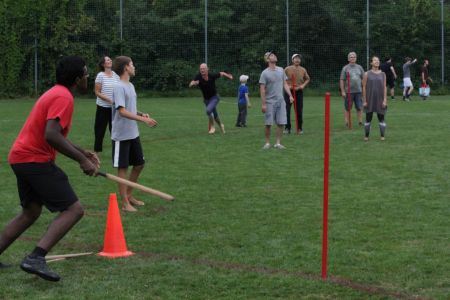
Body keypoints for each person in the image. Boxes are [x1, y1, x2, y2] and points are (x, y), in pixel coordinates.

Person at [0, 56, 98, 282]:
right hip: (34, 160)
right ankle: (36, 257)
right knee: (74, 210)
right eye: (86, 74)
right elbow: (51, 134)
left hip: (21, 157)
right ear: (77, 79)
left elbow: (56, 133)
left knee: (31, 211)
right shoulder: (64, 97)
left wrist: (81, 152)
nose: (87, 78)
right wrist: (81, 161)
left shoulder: (55, 92)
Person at [111, 56, 157, 212]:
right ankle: (125, 203)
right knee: (123, 168)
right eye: (132, 65)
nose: (134, 67)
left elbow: (128, 108)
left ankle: (129, 195)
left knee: (139, 164)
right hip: (121, 135)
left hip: (133, 133)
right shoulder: (118, 86)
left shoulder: (130, 85)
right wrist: (143, 120)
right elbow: (122, 111)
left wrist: (140, 114)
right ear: (125, 68)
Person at [259, 51, 294, 149]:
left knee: (281, 122)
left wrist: (290, 95)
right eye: (271, 55)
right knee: (268, 123)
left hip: (281, 101)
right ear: (267, 59)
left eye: (274, 55)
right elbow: (262, 89)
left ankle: (278, 143)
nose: (274, 56)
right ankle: (267, 143)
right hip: (269, 102)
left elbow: (285, 84)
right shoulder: (264, 73)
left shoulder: (281, 70)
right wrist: (263, 104)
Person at [189, 63, 233, 134]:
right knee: (215, 115)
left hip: (215, 97)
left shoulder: (211, 75)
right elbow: (191, 82)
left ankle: (213, 126)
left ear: (207, 69)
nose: (202, 70)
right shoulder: (198, 77)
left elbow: (221, 73)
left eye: (203, 68)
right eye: (201, 69)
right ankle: (221, 125)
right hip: (206, 100)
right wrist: (193, 83)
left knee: (208, 110)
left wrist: (229, 76)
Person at [93, 56, 120, 153]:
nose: (110, 60)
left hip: (113, 108)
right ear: (103, 64)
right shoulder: (100, 75)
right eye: (108, 60)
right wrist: (108, 99)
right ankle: (96, 153)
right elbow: (97, 92)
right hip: (102, 108)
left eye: (110, 59)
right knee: (99, 131)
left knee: (114, 130)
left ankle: (116, 152)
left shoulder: (116, 75)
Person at [362, 56, 387, 141]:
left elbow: (384, 87)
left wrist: (385, 100)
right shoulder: (367, 74)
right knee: (368, 118)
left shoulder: (383, 74)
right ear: (371, 63)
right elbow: (364, 87)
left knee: (381, 118)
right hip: (370, 99)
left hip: (380, 100)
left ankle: (382, 136)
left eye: (378, 60)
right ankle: (366, 136)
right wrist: (364, 100)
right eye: (375, 60)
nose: (377, 61)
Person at [284, 53, 310, 134]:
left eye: (298, 58)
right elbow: (283, 79)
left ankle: (299, 128)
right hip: (288, 92)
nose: (297, 59)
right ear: (292, 60)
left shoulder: (303, 69)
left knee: (299, 110)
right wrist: (288, 86)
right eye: (295, 58)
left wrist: (302, 86)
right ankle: (287, 128)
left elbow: (308, 79)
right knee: (287, 110)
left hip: (298, 91)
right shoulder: (287, 69)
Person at [340, 52, 365, 127]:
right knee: (347, 107)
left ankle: (360, 122)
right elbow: (342, 79)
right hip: (348, 92)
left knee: (359, 107)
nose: (352, 58)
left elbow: (363, 79)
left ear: (356, 58)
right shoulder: (345, 68)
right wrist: (343, 91)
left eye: (354, 57)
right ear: (348, 59)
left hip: (359, 91)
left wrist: (364, 90)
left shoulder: (359, 67)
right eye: (351, 57)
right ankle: (347, 122)